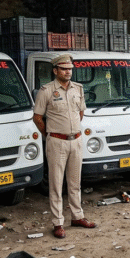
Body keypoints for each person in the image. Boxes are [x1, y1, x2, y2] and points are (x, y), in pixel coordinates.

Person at [33, 54, 96, 238]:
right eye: (63, 69)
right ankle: (58, 222)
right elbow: (37, 118)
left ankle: (77, 216)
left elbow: (81, 113)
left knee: (75, 182)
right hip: (57, 142)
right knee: (56, 184)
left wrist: (71, 131)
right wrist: (51, 135)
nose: (68, 72)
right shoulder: (46, 91)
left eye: (70, 69)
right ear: (55, 71)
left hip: (76, 140)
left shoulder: (78, 88)